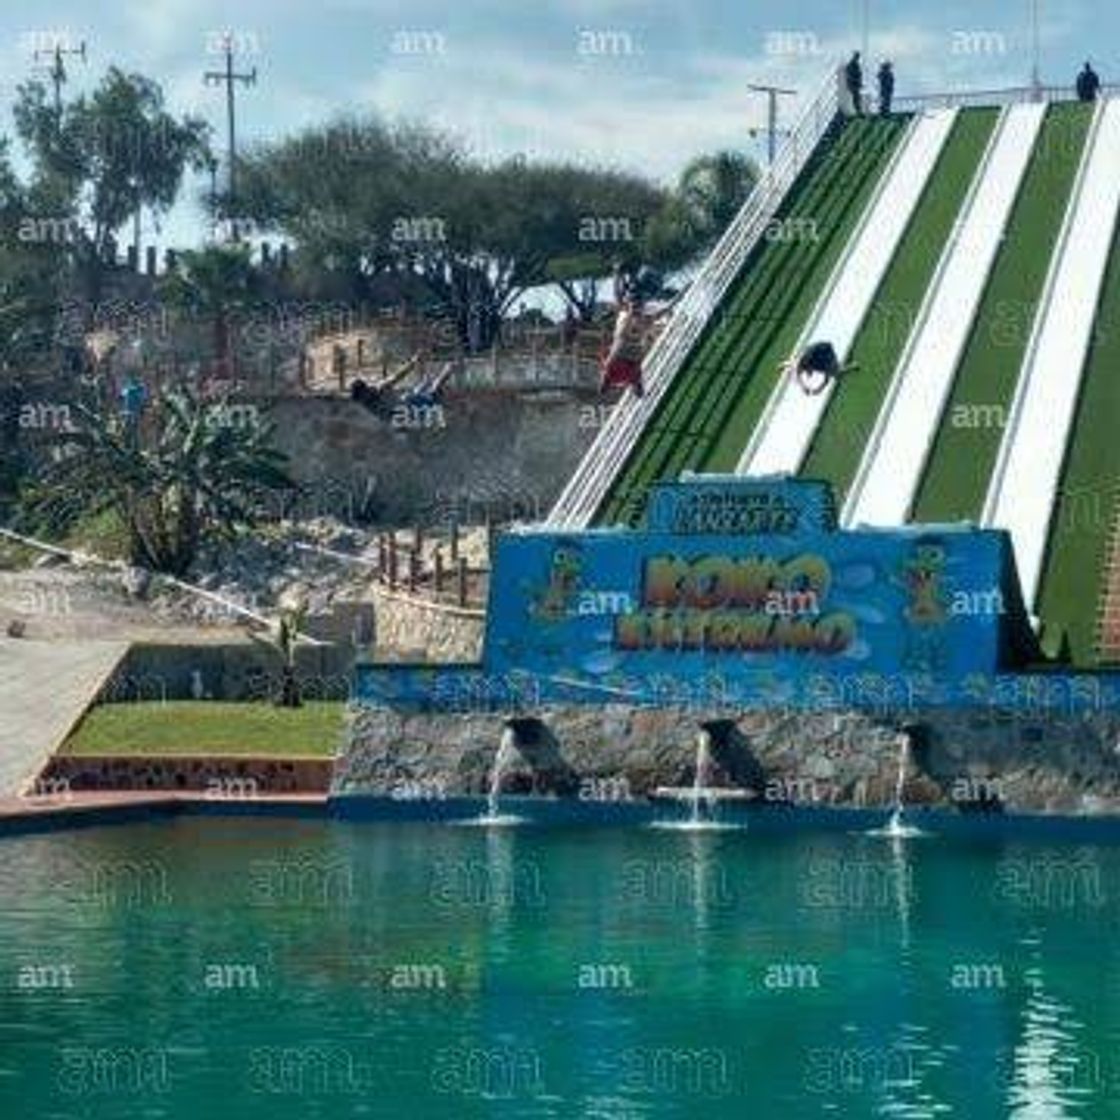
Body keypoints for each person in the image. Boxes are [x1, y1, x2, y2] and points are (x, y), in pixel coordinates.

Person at [785, 341, 858, 396]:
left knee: (835, 372)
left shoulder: (814, 363)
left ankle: (852, 366)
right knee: (835, 373)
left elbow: (826, 379)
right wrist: (815, 389)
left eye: (809, 371)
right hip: (820, 352)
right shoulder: (813, 365)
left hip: (825, 350)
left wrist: (815, 389)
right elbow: (798, 376)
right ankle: (852, 366)